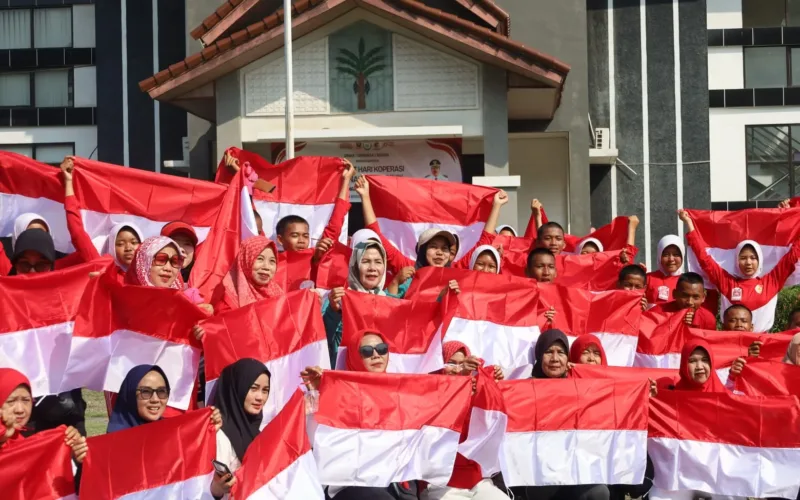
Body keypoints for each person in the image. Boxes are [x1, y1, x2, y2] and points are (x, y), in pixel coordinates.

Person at [302, 332, 417, 500]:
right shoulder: (340, 393)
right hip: (353, 485)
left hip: (395, 483)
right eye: (367, 351)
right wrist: (317, 391)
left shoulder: (402, 395)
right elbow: (314, 438)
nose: (376, 355)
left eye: (382, 349)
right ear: (355, 357)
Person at [355, 176, 506, 286]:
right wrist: (365, 196)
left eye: (445, 249)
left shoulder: (456, 271)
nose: (440, 253)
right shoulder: (408, 268)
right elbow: (377, 236)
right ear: (422, 250)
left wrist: (497, 206)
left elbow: (484, 241)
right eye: (433, 247)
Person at [521, 330, 610, 500]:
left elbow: (614, 401)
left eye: (561, 353)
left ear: (568, 359)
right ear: (539, 355)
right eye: (548, 352)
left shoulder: (579, 388)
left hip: (575, 470)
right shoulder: (523, 390)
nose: (555, 359)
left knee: (599, 493)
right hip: (539, 474)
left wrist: (643, 394)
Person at [680, 209, 800, 331]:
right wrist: (689, 223)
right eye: (743, 258)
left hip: (761, 343)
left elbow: (792, 256)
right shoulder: (727, 282)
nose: (748, 262)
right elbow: (704, 259)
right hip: (730, 343)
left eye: (753, 258)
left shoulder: (772, 281)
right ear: (736, 261)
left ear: (759, 261)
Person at [422, 342, 508, 500]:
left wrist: (492, 388)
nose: (456, 369)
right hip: (440, 484)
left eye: (462, 364)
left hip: (477, 482)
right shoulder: (428, 392)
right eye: (451, 363)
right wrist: (461, 380)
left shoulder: (475, 391)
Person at [61, 157, 143, 282]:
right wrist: (68, 182)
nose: (128, 248)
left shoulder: (152, 276)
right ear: (111, 247)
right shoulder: (102, 268)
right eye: (120, 243)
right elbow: (77, 232)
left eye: (134, 242)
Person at [323, 240, 399, 367]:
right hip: (347, 378)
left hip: (385, 379)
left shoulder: (393, 303)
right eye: (365, 261)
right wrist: (333, 311)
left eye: (378, 262)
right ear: (354, 265)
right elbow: (323, 340)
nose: (372, 268)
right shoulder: (339, 299)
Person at [209, 359, 271, 498]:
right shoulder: (220, 435)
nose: (260, 397)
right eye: (253, 388)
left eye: (265, 390)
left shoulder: (257, 433)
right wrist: (217, 490)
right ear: (237, 388)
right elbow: (206, 488)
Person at [0, 368, 88, 465]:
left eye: (26, 400)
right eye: (11, 401)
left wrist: (69, 453)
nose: (20, 410)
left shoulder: (29, 443)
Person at [107, 365, 221, 433]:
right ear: (130, 395)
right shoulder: (113, 441)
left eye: (162, 392)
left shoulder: (171, 433)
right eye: (146, 392)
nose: (155, 399)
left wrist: (209, 432)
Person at [212, 236, 282, 314]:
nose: (266, 267)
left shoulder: (279, 295)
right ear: (245, 260)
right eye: (260, 259)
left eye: (272, 261)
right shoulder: (229, 300)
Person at [656, 339, 744, 392]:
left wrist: (732, 377)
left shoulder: (722, 396)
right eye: (692, 361)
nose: (699, 366)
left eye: (705, 360)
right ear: (683, 365)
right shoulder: (672, 399)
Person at [647, 272, 717, 330]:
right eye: (685, 296)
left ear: (703, 298)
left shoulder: (708, 319)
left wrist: (696, 323)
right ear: (674, 294)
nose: (690, 302)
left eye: (695, 297)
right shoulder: (658, 313)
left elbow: (709, 343)